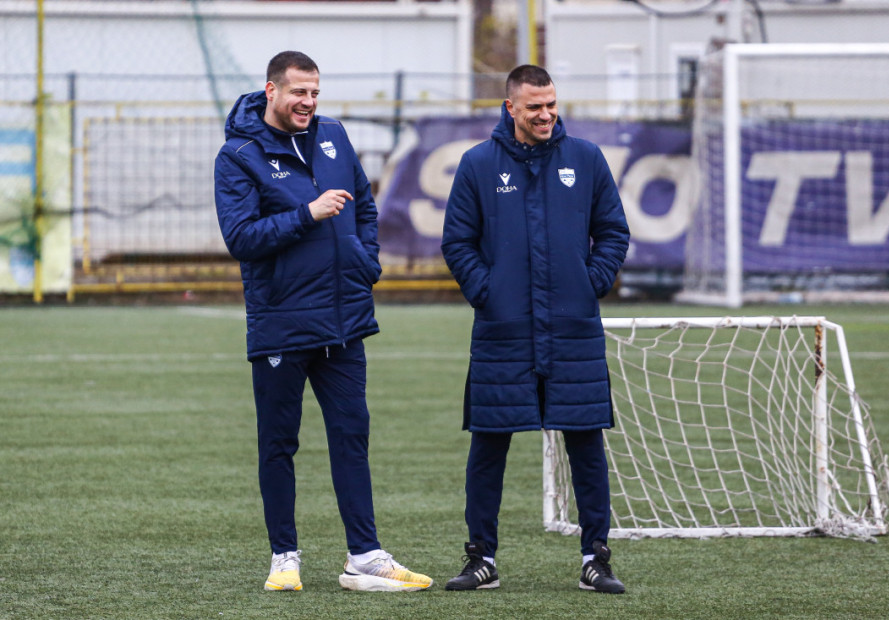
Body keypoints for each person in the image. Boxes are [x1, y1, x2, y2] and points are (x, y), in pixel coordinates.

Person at [214, 50, 432, 593]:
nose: (308, 102)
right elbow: (240, 238)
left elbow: (364, 206)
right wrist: (306, 214)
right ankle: (283, 558)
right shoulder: (238, 155)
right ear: (271, 91)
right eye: (298, 92)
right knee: (278, 443)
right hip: (282, 322)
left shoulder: (333, 134)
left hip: (344, 320)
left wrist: (365, 262)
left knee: (352, 435)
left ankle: (366, 557)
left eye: (314, 92)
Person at [440, 64, 630, 594]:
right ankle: (481, 559)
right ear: (511, 108)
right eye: (534, 107)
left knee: (586, 444)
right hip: (504, 329)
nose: (545, 115)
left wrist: (589, 283)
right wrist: (489, 292)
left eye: (551, 105)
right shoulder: (478, 163)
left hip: (572, 328)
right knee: (489, 445)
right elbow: (457, 242)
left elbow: (613, 232)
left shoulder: (586, 159)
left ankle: (596, 559)